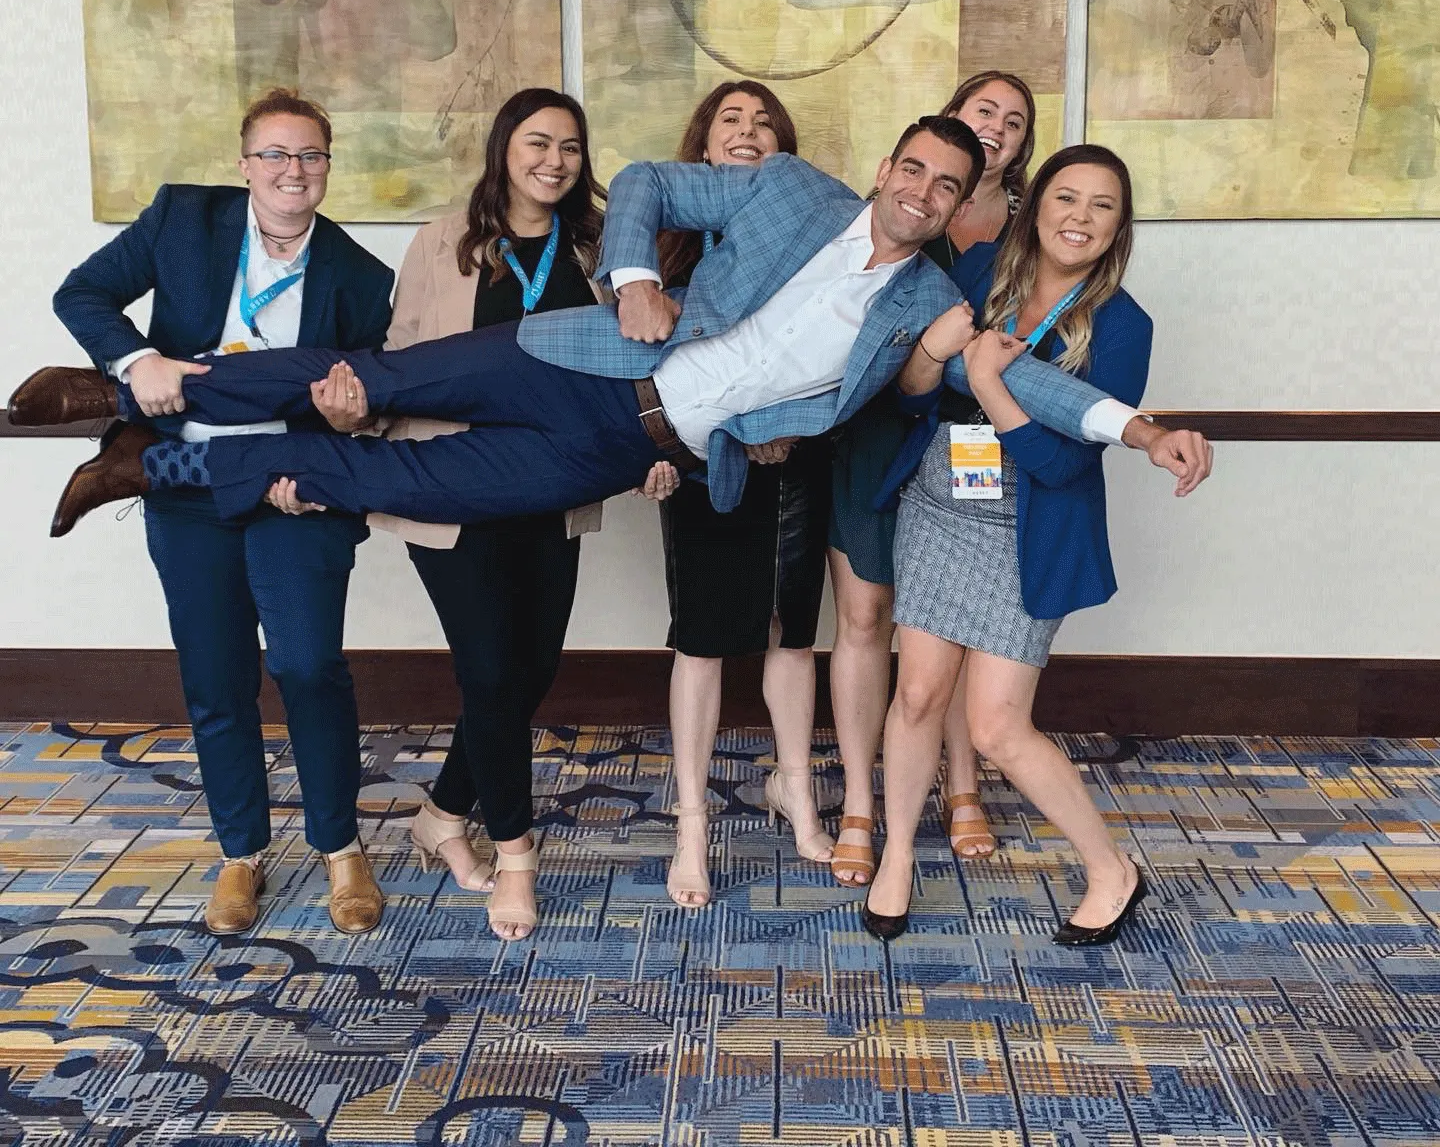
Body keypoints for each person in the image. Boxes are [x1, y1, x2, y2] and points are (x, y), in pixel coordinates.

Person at [12, 118, 1211, 573]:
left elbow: (1032, 374)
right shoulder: (789, 190)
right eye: (912, 168)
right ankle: (140, 384)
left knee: (387, 477)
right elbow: (642, 181)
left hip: (621, 449)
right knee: (366, 383)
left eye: (946, 187)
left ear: (957, 205)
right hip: (574, 355)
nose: (921, 192)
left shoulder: (929, 309)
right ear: (889, 166)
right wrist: (634, 276)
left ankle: (152, 464)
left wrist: (1141, 426)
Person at [280, 89, 675, 942]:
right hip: (455, 493)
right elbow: (401, 365)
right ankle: (517, 858)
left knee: (527, 675)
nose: (555, 161)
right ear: (504, 149)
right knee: (493, 675)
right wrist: (356, 428)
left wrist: (649, 453)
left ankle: (441, 814)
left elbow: (632, 377)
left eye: (571, 147)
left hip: (553, 495)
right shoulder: (443, 243)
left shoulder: (600, 251)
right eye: (538, 143)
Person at [21, 88, 395, 937]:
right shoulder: (183, 220)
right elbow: (81, 295)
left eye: (309, 156)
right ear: (244, 164)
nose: (291, 171)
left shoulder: (363, 277)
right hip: (188, 491)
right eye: (275, 155)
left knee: (306, 665)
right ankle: (241, 853)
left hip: (292, 492)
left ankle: (341, 847)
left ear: (329, 168)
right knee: (216, 676)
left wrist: (348, 419)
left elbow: (371, 405)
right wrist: (137, 355)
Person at [862, 144, 1157, 947]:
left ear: (1119, 227)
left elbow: (1063, 463)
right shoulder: (981, 267)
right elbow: (913, 389)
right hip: (936, 510)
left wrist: (991, 383)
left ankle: (1110, 869)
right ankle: (896, 859)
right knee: (918, 695)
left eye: (1102, 206)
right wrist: (936, 356)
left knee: (996, 728)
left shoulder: (1124, 326)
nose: (1080, 218)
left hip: (1025, 533)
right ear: (1036, 206)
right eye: (1067, 197)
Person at [827, 71, 1036, 887]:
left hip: (974, 444)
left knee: (952, 622)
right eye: (984, 110)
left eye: (1014, 123)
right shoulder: (900, 203)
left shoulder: (1029, 228)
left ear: (1021, 148)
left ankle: (963, 785)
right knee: (866, 614)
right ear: (947, 119)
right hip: (879, 434)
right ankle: (856, 802)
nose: (998, 128)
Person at [655, 81, 835, 910]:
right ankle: (692, 824)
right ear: (702, 143)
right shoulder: (665, 249)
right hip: (697, 461)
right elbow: (633, 362)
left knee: (791, 631)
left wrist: (791, 423)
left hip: (797, 454)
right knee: (701, 638)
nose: (749, 130)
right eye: (731, 117)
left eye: (765, 122)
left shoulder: (813, 236)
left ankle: (795, 791)